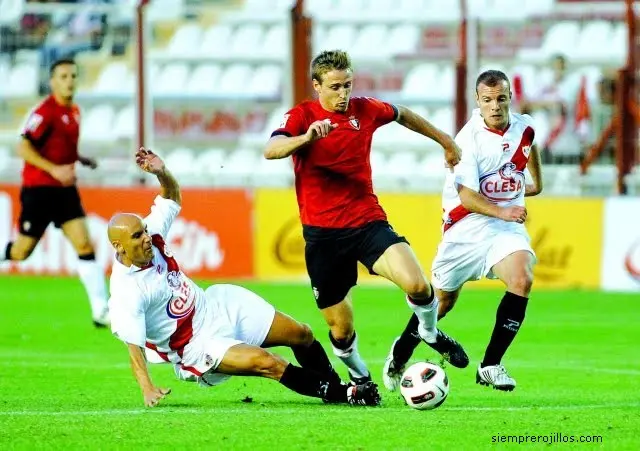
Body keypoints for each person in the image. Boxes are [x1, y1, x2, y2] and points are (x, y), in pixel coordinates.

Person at [108, 148, 381, 408]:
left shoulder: (153, 235)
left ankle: (334, 388)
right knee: (269, 363)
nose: (146, 237)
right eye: (137, 236)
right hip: (196, 344)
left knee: (302, 334)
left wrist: (161, 172)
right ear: (119, 247)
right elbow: (134, 347)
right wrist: (147, 386)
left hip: (217, 305)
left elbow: (171, 197)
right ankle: (347, 394)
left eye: (144, 231)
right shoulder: (126, 290)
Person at [263, 49, 469, 385]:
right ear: (317, 85)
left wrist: (444, 139)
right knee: (340, 331)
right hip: (323, 237)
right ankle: (361, 377)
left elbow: (402, 114)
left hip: (366, 222)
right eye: (335, 87)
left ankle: (430, 333)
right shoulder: (301, 116)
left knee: (418, 285)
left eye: (347, 85)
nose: (343, 94)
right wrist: (306, 138)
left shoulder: (365, 109)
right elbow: (271, 150)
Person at [383, 70, 543, 392]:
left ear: (510, 97)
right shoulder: (467, 139)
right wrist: (505, 209)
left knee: (522, 277)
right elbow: (468, 199)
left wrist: (535, 184)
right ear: (477, 101)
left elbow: (529, 145)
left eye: (501, 99)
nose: (495, 106)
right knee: (440, 302)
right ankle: (400, 354)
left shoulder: (524, 128)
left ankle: (491, 364)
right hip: (464, 226)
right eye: (488, 100)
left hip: (503, 227)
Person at [0, 58, 109, 327]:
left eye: (73, 75)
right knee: (21, 252)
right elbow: (23, 148)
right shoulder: (45, 111)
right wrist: (54, 169)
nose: (69, 80)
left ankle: (100, 310)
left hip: (64, 191)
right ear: (53, 81)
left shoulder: (74, 112)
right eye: (63, 76)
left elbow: (62, 148)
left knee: (84, 243)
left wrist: (80, 159)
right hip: (39, 191)